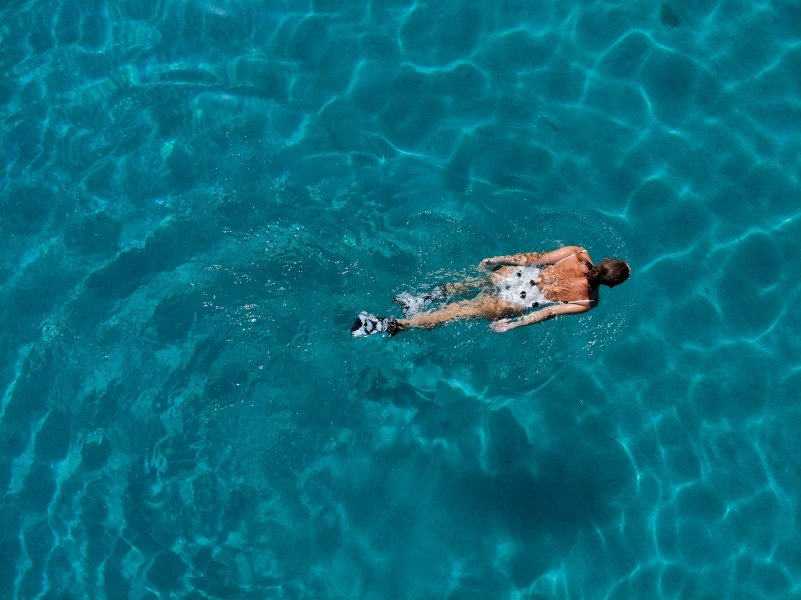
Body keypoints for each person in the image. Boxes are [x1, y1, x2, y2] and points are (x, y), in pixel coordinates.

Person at [350, 246, 631, 337]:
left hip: (520, 274)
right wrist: (511, 325)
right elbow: (547, 312)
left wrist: (499, 260)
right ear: (612, 285)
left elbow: (533, 257)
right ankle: (392, 325)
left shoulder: (577, 253)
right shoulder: (587, 301)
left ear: (605, 262)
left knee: (468, 284)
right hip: (520, 301)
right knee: (458, 311)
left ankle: (421, 299)